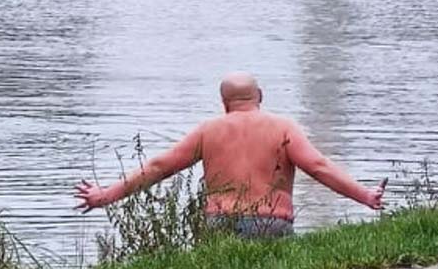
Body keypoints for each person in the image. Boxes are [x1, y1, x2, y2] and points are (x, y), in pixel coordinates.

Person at [74, 73, 386, 239]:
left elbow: (158, 167)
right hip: (272, 224)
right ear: (260, 96)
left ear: (224, 102)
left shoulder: (209, 131)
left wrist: (104, 196)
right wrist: (366, 197)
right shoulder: (283, 128)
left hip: (219, 223)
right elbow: (319, 167)